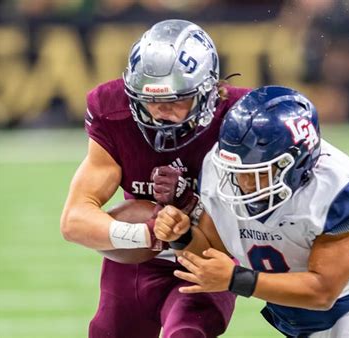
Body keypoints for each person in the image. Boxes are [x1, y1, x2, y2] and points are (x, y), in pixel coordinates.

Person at [154, 85, 349, 337]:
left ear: (297, 164)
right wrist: (182, 235)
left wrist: (237, 279)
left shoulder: (340, 189)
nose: (244, 184)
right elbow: (214, 251)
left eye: (259, 173)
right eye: (239, 173)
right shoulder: (221, 170)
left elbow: (322, 291)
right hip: (301, 321)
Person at [60, 19, 250, 338]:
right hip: (136, 259)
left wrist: (191, 208)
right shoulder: (113, 112)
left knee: (187, 332)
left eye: (176, 100)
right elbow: (74, 221)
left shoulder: (242, 117)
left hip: (208, 255)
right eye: (150, 100)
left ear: (208, 90)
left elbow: (253, 221)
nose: (161, 112)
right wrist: (147, 234)